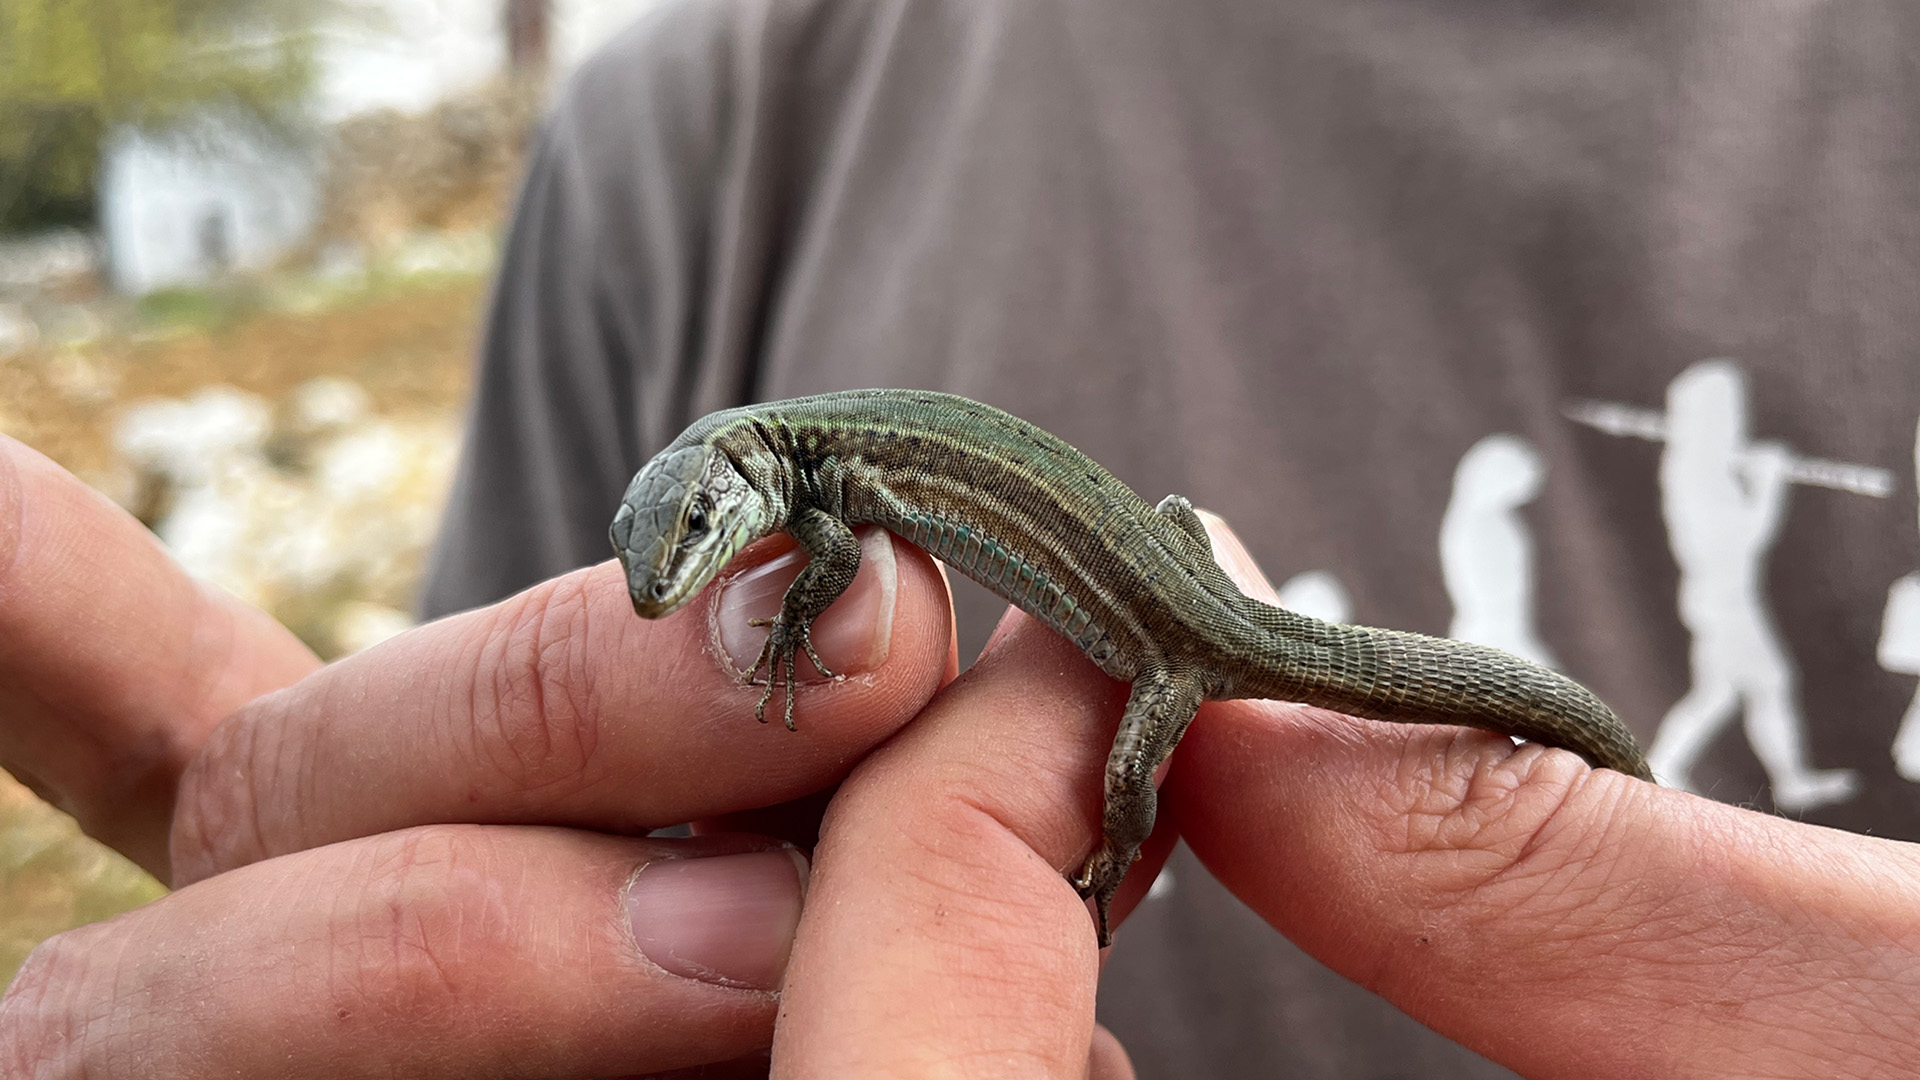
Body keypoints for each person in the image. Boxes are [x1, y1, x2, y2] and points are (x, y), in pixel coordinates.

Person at [6, 1, 1920, 1076]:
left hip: (1186, 640)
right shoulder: (710, 150)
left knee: (1156, 748)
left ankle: (1179, 806)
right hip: (1152, 575)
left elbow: (835, 576)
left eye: (706, 541)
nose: (691, 577)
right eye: (675, 546)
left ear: (762, 485)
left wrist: (1102, 826)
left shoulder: (823, 487)